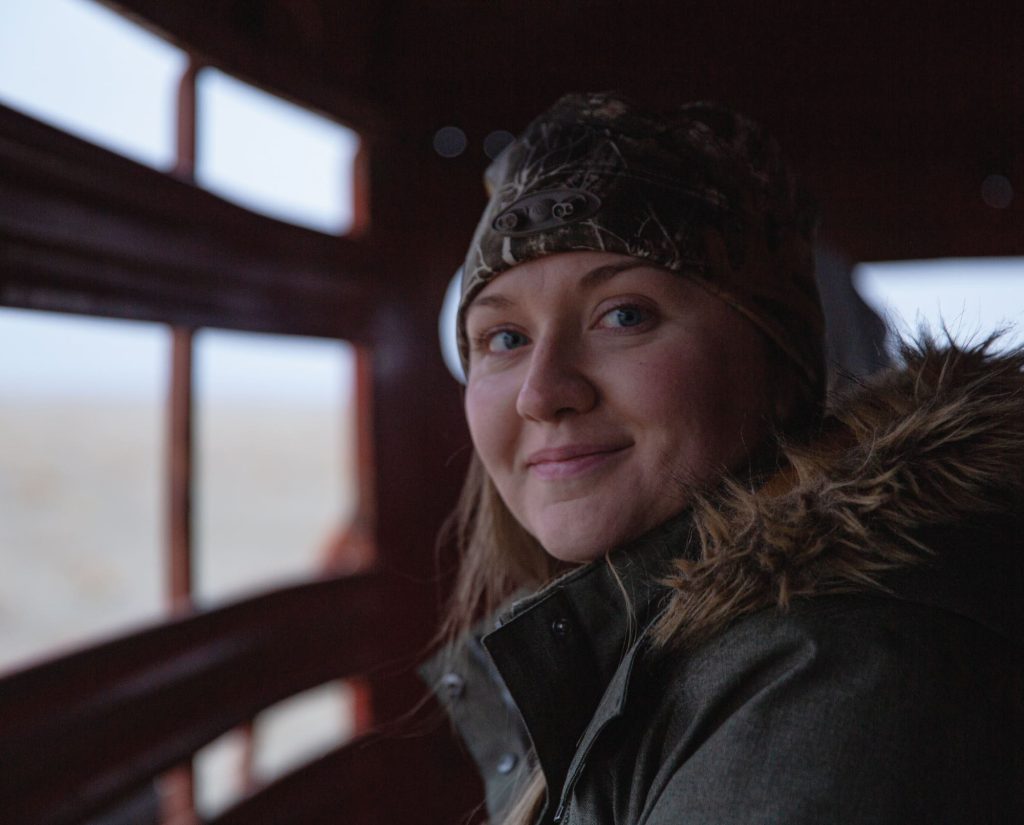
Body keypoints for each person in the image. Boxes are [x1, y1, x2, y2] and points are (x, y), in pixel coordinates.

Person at [421, 92, 1023, 824]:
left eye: (625, 315)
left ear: (781, 373)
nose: (542, 393)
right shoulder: (649, 638)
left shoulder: (827, 674)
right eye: (504, 338)